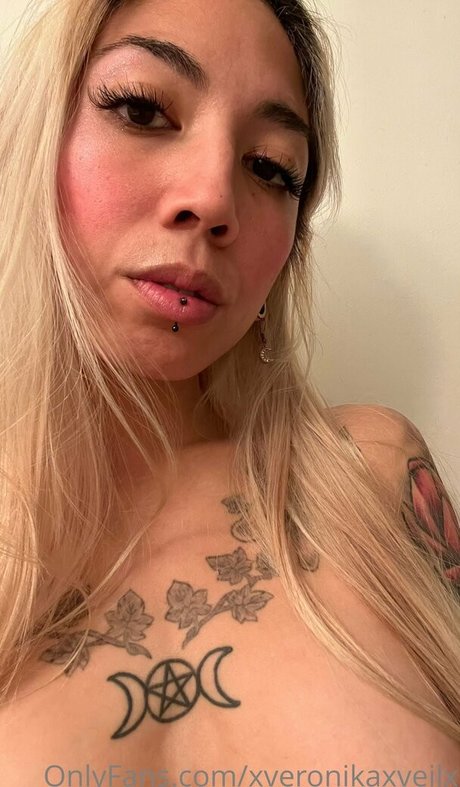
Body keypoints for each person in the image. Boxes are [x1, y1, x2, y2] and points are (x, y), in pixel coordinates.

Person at [0, 0, 459, 780]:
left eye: (271, 168)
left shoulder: (372, 477)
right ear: (32, 137)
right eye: (141, 109)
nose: (214, 199)